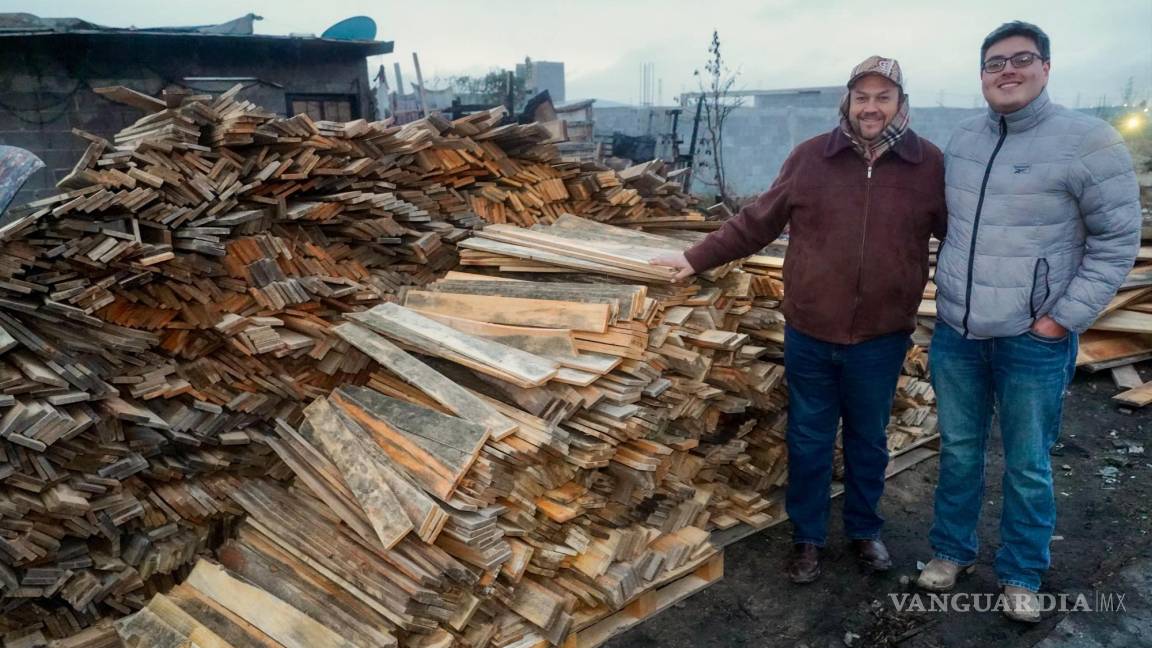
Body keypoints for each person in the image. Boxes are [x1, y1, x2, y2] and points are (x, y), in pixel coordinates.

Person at [652, 56, 946, 583]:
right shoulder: (812, 158)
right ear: (847, 102)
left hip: (881, 337)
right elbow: (756, 223)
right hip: (811, 331)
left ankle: (864, 531)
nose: (871, 107)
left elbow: (960, 239)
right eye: (862, 97)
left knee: (868, 439)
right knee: (809, 440)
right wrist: (694, 258)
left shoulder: (929, 167)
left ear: (901, 102)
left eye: (883, 97)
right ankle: (807, 538)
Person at [917, 21, 1141, 622]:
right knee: (960, 451)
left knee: (1028, 462)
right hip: (959, 334)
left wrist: (1062, 318)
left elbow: (1117, 240)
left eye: (1021, 59)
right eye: (995, 63)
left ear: (1045, 67)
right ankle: (949, 551)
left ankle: (1021, 571)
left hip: (1031, 340)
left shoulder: (1087, 141)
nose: (1007, 71)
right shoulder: (963, 140)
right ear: (982, 75)